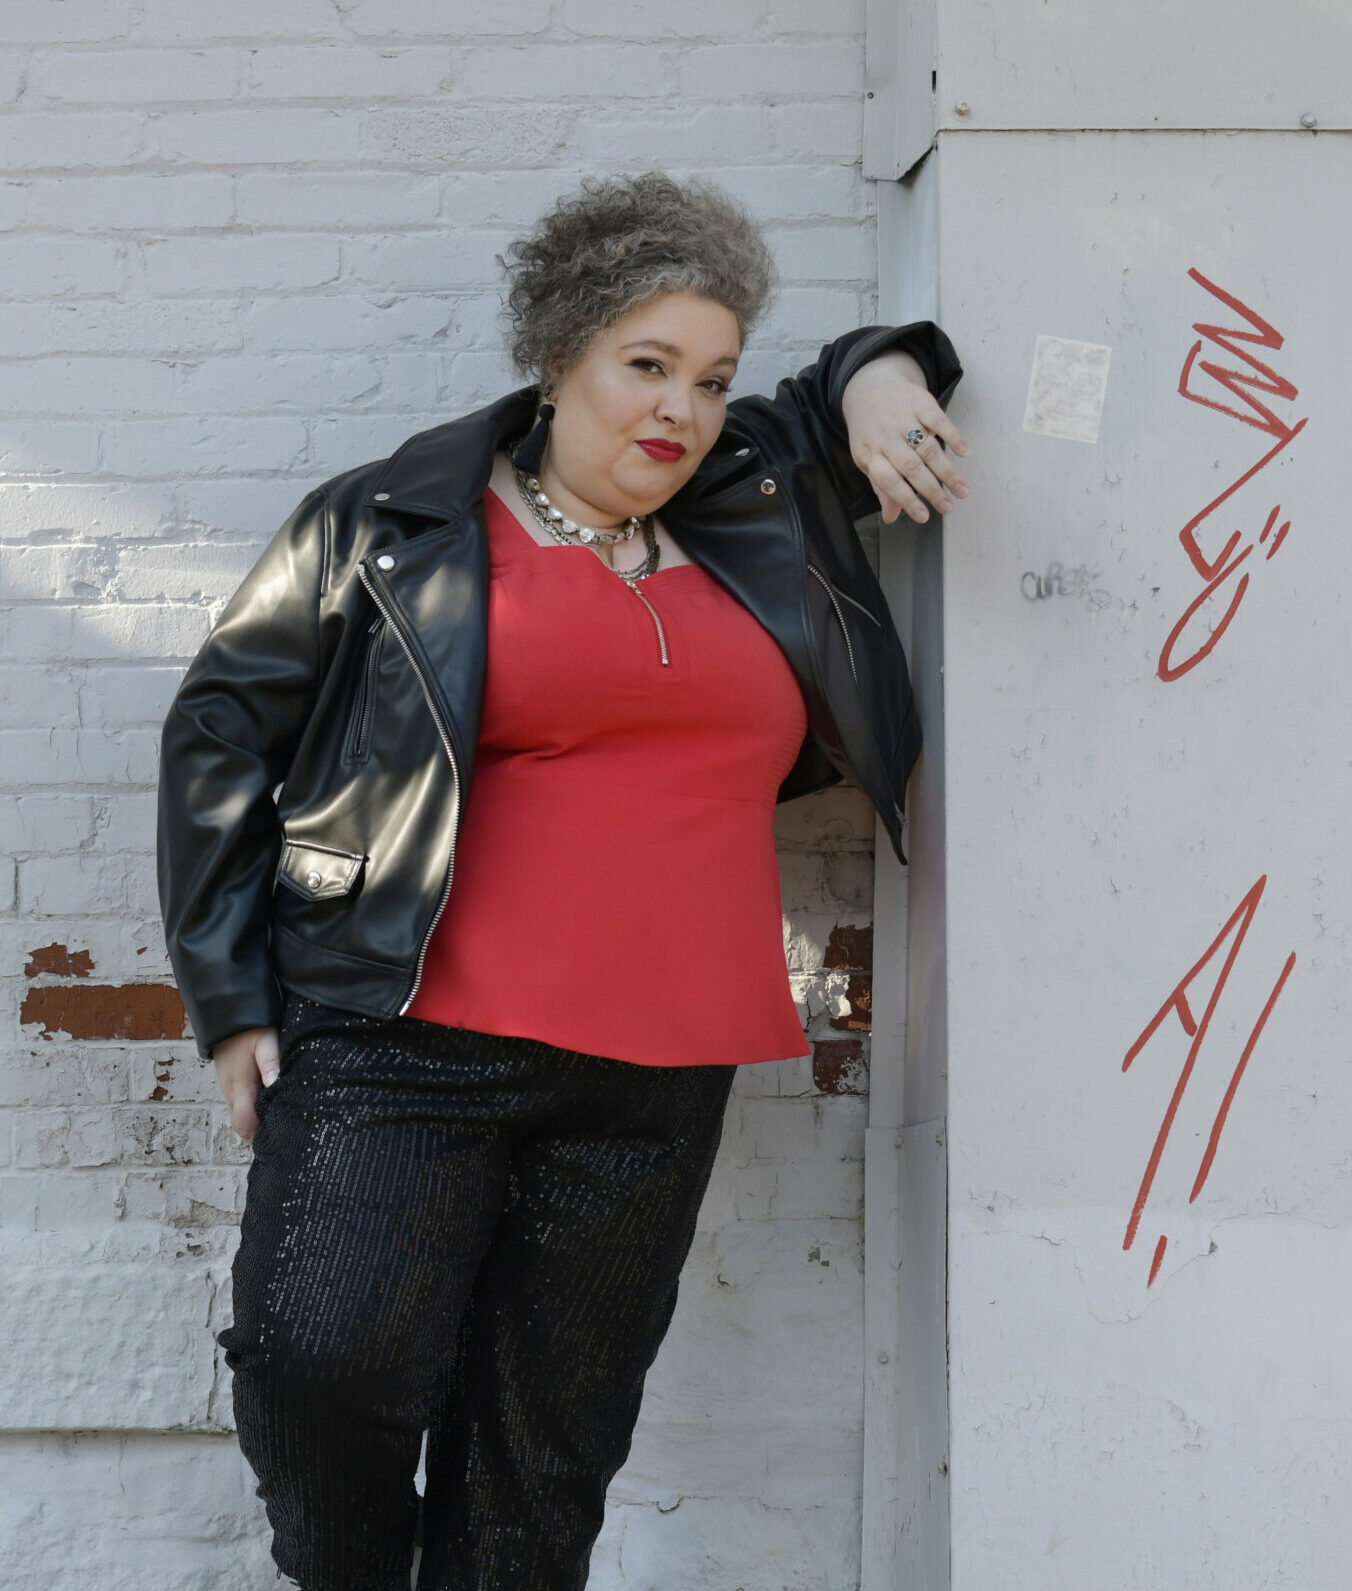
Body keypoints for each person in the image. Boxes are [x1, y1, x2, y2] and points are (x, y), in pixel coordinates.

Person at [157, 171, 967, 1591]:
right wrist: (228, 995)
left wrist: (890, 376)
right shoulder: (392, 522)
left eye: (710, 379)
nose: (680, 411)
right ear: (559, 354)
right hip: (405, 1038)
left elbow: (862, 369)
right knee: (321, 1353)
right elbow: (224, 729)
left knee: (547, 1453)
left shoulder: (746, 502)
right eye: (643, 366)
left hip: (658, 1076)